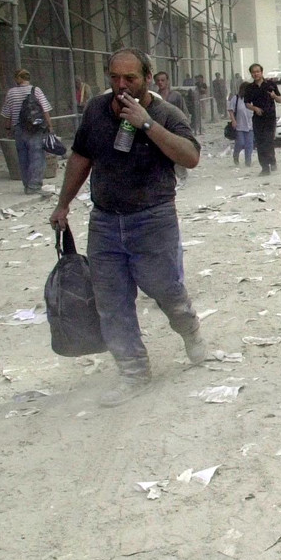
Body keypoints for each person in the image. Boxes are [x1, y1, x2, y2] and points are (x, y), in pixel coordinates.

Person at [48, 48, 207, 408]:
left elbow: (191, 157)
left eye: (130, 78)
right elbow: (81, 157)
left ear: (148, 78)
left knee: (166, 291)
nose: (121, 85)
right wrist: (63, 203)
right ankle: (133, 371)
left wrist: (146, 124)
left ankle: (190, 330)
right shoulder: (95, 111)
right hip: (105, 222)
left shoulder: (167, 113)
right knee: (112, 301)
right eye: (114, 78)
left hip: (153, 220)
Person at [1, 68, 53, 194]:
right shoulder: (36, 90)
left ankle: (26, 184)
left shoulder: (11, 93)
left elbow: (7, 114)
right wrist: (50, 126)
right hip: (35, 128)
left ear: (17, 79)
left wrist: (8, 129)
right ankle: (34, 186)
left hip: (18, 128)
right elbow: (45, 109)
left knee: (23, 157)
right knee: (37, 156)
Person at [242, 63, 281, 175]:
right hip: (258, 119)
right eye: (253, 72)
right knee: (260, 143)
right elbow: (246, 103)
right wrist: (255, 108)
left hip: (270, 117)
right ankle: (265, 167)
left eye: (257, 71)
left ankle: (272, 161)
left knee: (268, 141)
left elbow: (280, 100)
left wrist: (274, 96)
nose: (256, 74)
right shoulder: (249, 88)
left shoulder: (270, 84)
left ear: (261, 72)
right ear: (251, 74)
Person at [228, 82, 255, 167]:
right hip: (239, 125)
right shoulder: (236, 99)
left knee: (249, 145)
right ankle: (236, 155)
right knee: (240, 143)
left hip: (250, 125)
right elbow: (230, 110)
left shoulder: (253, 98)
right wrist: (233, 120)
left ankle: (248, 162)